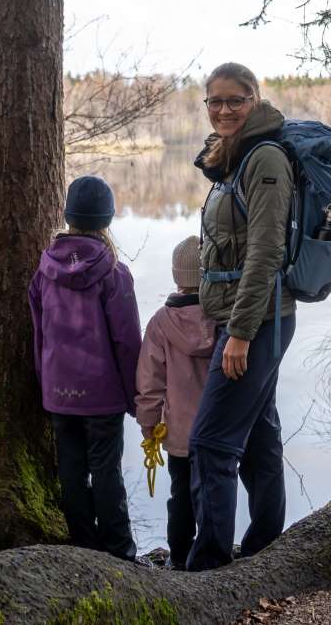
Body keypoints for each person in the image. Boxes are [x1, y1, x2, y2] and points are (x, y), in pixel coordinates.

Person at [186, 62, 296, 570]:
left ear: (255, 99)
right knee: (258, 434)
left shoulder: (265, 157)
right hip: (247, 321)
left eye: (236, 100)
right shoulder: (232, 157)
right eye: (216, 101)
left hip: (256, 323)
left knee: (210, 442)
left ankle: (208, 565)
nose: (225, 109)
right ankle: (264, 547)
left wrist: (241, 334)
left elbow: (266, 253)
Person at [27, 175, 139, 561]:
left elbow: (39, 335)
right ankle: (120, 551)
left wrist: (46, 386)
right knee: (107, 471)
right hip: (103, 395)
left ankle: (83, 548)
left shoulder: (44, 272)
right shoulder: (113, 273)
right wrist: (136, 399)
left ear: (68, 216)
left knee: (71, 470)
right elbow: (127, 343)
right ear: (106, 221)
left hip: (59, 392)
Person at [134, 235, 216, 570]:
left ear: (175, 276)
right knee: (213, 494)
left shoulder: (159, 324)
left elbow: (150, 382)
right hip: (218, 431)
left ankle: (179, 557)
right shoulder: (225, 320)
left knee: (180, 496)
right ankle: (212, 555)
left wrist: (148, 423)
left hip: (180, 433)